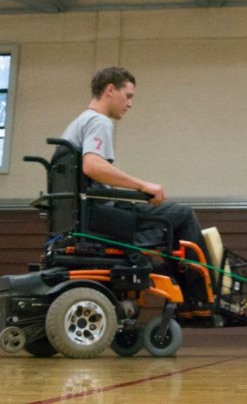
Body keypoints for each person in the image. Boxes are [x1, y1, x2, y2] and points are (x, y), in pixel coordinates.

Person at [61, 66, 210, 310]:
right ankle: (198, 299)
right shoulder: (99, 121)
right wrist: (142, 185)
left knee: (165, 223)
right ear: (110, 90)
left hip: (87, 214)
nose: (130, 104)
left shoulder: (77, 124)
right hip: (102, 217)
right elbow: (93, 166)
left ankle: (166, 277)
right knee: (181, 215)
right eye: (128, 96)